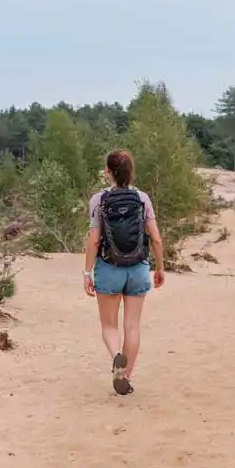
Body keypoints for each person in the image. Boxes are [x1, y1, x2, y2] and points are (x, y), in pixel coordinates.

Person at [83, 149, 164, 396]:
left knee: (109, 325)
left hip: (109, 268)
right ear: (131, 171)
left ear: (107, 172)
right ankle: (125, 379)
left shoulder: (99, 200)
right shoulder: (142, 199)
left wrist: (87, 272)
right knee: (133, 327)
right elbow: (157, 239)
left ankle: (117, 356)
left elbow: (94, 241)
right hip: (138, 268)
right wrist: (160, 268)